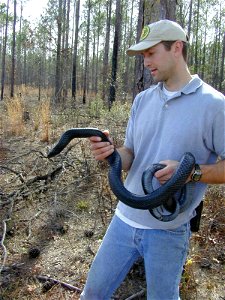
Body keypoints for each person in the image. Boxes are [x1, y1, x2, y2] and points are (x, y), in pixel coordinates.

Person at [80, 19, 225, 300]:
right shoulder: (143, 100)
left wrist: (189, 172)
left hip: (168, 232)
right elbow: (131, 155)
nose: (145, 62)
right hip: (123, 221)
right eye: (143, 55)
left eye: (151, 53)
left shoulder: (215, 106)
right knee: (92, 295)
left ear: (177, 48)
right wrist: (111, 154)